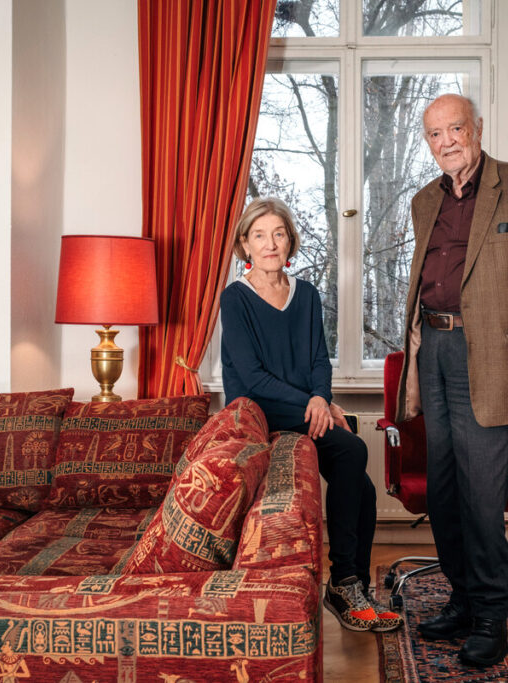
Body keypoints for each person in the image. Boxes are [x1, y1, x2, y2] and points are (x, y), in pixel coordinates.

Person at [395, 93, 508, 667]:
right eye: (434, 134)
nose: (446, 141)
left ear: (476, 128)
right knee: (444, 492)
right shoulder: (425, 200)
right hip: (434, 350)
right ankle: (464, 600)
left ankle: (493, 617)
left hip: (493, 359)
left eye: (455, 128)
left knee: (480, 496)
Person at [220, 197, 403, 633]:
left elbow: (320, 359)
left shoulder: (305, 295)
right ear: (244, 244)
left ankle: (351, 587)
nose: (270, 244)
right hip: (260, 411)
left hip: (303, 406)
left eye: (278, 234)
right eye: (259, 235)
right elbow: (252, 376)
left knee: (364, 489)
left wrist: (321, 396)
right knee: (352, 448)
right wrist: (314, 403)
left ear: (290, 241)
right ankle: (342, 582)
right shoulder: (235, 298)